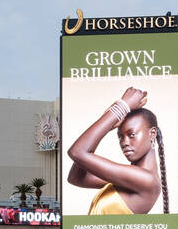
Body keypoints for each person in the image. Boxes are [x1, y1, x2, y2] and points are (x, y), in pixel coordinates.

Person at [67, 86, 169, 216]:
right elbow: (76, 178)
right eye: (120, 137)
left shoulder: (146, 180)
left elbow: (77, 152)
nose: (124, 142)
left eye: (131, 135)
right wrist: (108, 122)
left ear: (152, 133)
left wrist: (120, 108)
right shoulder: (128, 178)